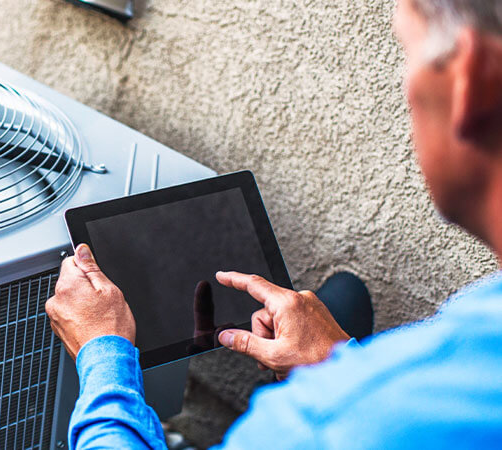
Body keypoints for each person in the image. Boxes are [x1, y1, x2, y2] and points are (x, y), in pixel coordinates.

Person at [44, 0, 502, 448]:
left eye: (409, 55)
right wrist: (335, 359)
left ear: (471, 83)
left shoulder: (315, 426)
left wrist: (102, 352)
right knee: (344, 299)